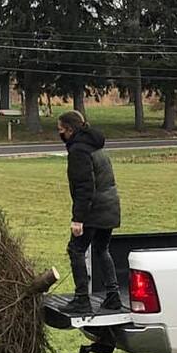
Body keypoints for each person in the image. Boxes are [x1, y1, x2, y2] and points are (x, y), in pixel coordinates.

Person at [57, 109, 122, 315]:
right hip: (110, 204)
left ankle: (82, 299)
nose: (60, 134)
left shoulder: (78, 151)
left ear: (69, 129)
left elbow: (85, 187)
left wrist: (78, 219)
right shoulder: (96, 145)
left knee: (75, 250)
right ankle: (113, 296)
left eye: (60, 130)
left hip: (94, 208)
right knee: (102, 249)